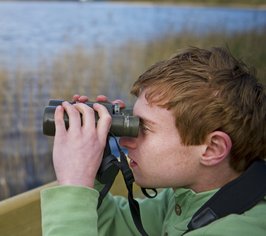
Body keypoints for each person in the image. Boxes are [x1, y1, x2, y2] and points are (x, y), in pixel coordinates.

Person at [40, 46, 266, 235]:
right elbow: (116, 226)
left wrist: (73, 185)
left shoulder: (237, 230)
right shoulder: (187, 194)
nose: (126, 141)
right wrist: (94, 169)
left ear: (212, 148)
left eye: (145, 128)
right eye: (131, 122)